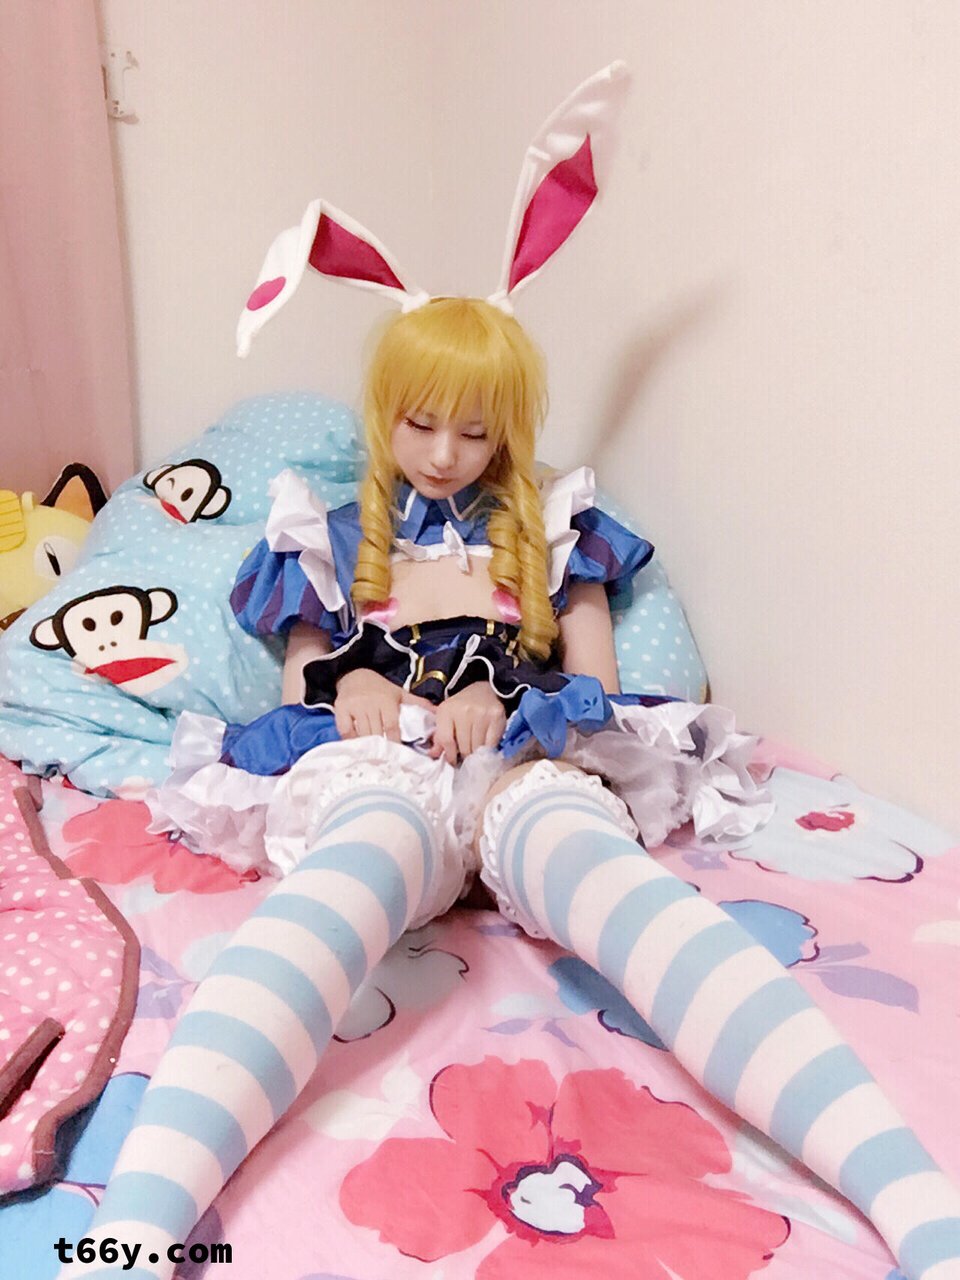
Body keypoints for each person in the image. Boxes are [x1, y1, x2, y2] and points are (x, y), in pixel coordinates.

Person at [61, 68, 959, 1280]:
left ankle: (923, 1210)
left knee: (619, 888)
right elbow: (297, 694)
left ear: (511, 430)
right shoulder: (322, 533)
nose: (444, 453)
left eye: (475, 429)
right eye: (421, 422)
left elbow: (602, 694)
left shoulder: (557, 527)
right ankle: (127, 1232)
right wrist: (350, 696)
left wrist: (512, 705)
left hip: (526, 762)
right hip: (379, 768)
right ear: (385, 415)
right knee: (341, 883)